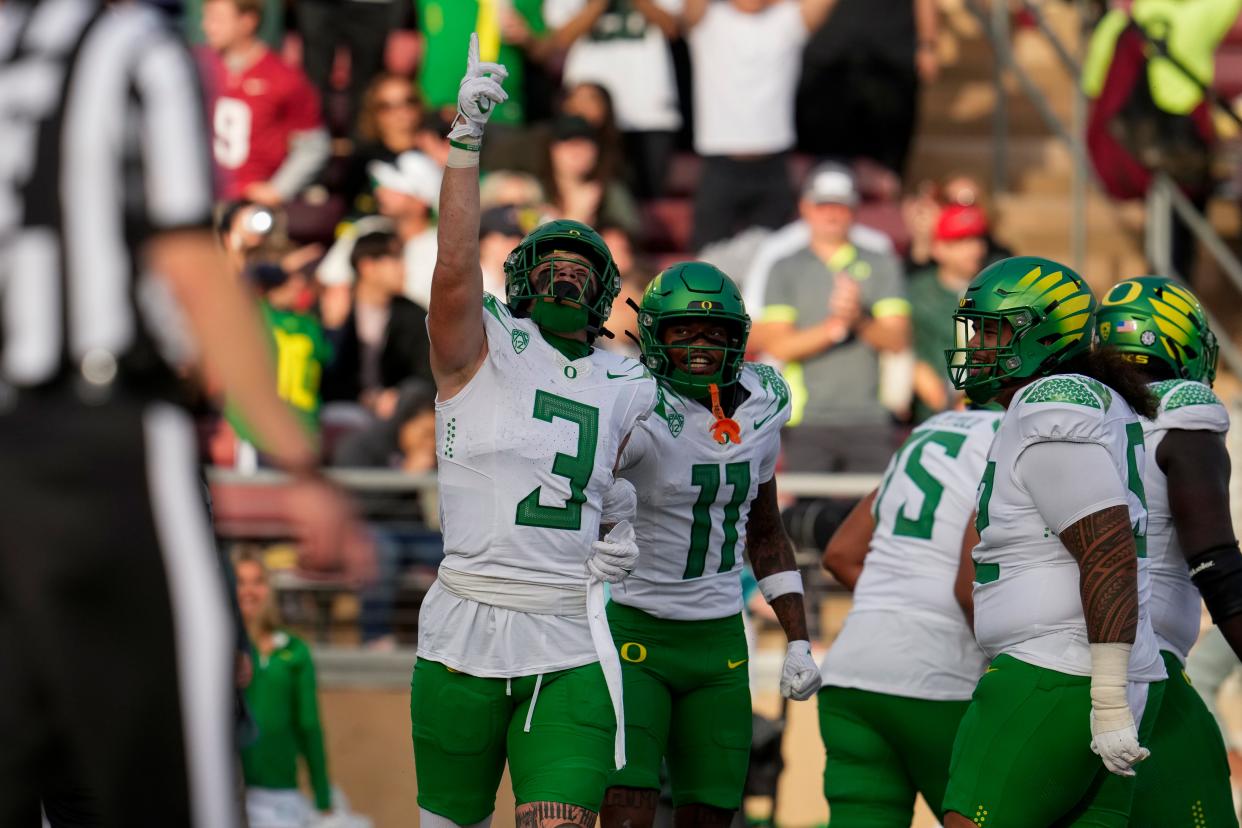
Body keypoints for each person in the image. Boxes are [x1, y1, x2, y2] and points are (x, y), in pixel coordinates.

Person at [0, 3, 371, 824]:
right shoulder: (132, 45)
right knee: (179, 776)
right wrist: (297, 464)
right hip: (103, 441)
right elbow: (191, 265)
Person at [411, 35, 659, 827]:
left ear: (607, 294)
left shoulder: (627, 378)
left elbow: (686, 473)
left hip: (567, 631)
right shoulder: (479, 342)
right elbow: (452, 272)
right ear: (518, 276)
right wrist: (465, 146)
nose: (565, 273)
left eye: (582, 265)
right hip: (464, 621)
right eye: (551, 260)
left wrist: (627, 519)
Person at [940, 256, 1166, 828]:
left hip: (1057, 671)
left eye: (994, 330)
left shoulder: (1052, 401)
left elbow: (1107, 549)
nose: (978, 346)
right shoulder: (1087, 400)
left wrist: (1107, 696)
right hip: (1092, 668)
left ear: (1045, 333)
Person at [599, 263, 821, 828]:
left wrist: (798, 638)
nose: (700, 346)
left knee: (716, 813)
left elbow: (765, 530)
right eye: (683, 333)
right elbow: (578, 501)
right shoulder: (632, 402)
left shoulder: (763, 404)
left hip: (720, 640)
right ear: (654, 336)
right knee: (627, 810)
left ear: (737, 337)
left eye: (715, 333)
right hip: (634, 628)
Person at [1095, 276, 1240, 827]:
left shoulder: (1072, 411)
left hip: (1041, 662)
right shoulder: (1184, 407)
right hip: (1143, 665)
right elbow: (1214, 560)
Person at [819, 404, 999, 825]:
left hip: (851, 671)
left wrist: (896, 611)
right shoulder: (1025, 432)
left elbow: (841, 554)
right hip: (940, 676)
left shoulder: (931, 429)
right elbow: (968, 589)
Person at [751, 163, 910, 473]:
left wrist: (858, 320)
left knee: (873, 513)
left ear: (854, 209)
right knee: (806, 515)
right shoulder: (784, 265)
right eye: (823, 205)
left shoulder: (880, 261)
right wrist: (836, 327)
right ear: (805, 208)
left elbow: (898, 339)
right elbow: (779, 345)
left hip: (870, 418)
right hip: (805, 419)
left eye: (840, 205)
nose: (832, 215)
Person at [683, 0, 834, 251]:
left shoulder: (786, 19)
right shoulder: (707, 18)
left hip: (773, 166)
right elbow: (689, 13)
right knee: (706, 263)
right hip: (720, 165)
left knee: (773, 259)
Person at [234, 548, 334, 826]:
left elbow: (309, 726)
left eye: (257, 581)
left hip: (282, 797)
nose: (249, 591)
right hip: (231, 792)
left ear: (270, 589)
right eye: (240, 582)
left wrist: (323, 798)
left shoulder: (295, 649)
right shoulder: (217, 649)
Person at [543, 1, 682, 199]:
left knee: (648, 202)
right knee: (588, 192)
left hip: (648, 108)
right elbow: (561, 37)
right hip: (589, 109)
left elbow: (673, 27)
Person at [198, 0, 329, 204]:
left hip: (253, 203)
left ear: (247, 21)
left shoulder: (283, 76)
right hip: (203, 198)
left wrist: (278, 190)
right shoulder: (196, 68)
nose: (207, 26)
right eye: (207, 18)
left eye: (217, 19)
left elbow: (313, 145)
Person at [320, 230, 435, 411]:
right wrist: (333, 328)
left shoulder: (414, 314)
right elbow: (322, 374)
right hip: (339, 408)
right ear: (367, 266)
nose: (404, 268)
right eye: (395, 259)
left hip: (395, 413)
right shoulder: (332, 308)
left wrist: (396, 397)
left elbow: (425, 375)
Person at [908, 204, 991, 421]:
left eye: (977, 239)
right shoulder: (917, 291)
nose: (974, 249)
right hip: (934, 415)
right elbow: (905, 348)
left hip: (989, 412)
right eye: (960, 242)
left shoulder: (997, 290)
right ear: (938, 248)